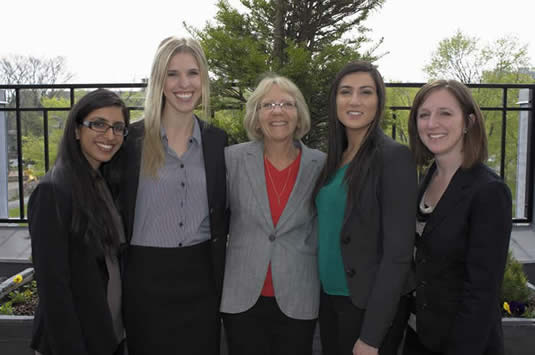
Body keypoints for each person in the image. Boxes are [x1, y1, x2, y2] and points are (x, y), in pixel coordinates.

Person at [110, 36, 228, 355]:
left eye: (192, 73)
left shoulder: (218, 143)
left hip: (202, 281)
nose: (183, 83)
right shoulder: (131, 142)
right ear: (159, 81)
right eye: (172, 74)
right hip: (144, 282)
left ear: (203, 79)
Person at [312, 61, 417, 355]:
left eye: (365, 92)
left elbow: (397, 256)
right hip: (331, 301)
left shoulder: (394, 158)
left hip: (368, 308)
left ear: (379, 101)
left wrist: (371, 337)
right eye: (346, 92)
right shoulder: (335, 157)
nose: (354, 101)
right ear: (335, 100)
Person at [403, 80, 512, 355]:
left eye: (445, 113)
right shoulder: (425, 180)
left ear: (469, 121)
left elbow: (482, 294)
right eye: (424, 114)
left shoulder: (488, 191)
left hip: (463, 344)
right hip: (419, 337)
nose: (432, 123)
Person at [220, 74, 325, 355]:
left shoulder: (321, 164)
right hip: (242, 297)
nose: (277, 111)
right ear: (256, 117)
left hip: (298, 296)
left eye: (286, 104)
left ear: (298, 114)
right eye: (268, 105)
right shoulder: (231, 160)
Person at [28, 89, 130, 355]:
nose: (110, 135)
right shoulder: (53, 191)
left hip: (107, 337)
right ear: (76, 130)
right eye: (98, 124)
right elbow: (54, 289)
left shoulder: (102, 183)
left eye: (118, 128)